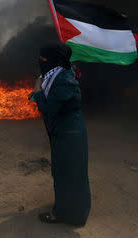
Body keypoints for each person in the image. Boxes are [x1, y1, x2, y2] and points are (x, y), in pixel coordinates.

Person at [29, 41, 91, 226]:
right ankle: (73, 210)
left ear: (53, 60)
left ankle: (65, 215)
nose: (41, 61)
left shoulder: (63, 79)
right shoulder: (60, 72)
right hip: (65, 132)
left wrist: (36, 91)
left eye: (43, 58)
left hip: (69, 134)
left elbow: (49, 109)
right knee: (69, 173)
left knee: (66, 174)